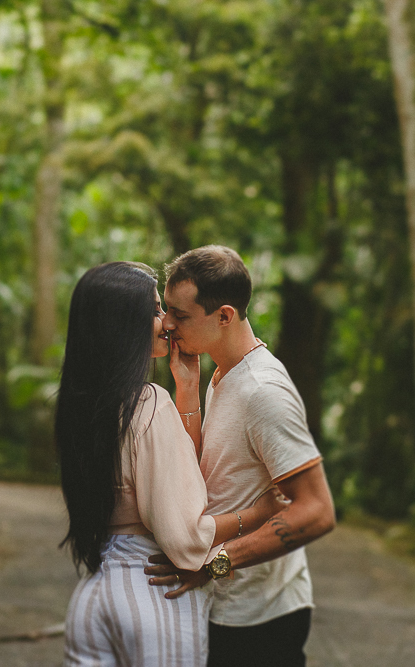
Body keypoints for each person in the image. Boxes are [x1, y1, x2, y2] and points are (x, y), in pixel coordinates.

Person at [57, 261, 283, 666]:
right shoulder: (147, 403)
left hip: (92, 597)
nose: (168, 323)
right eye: (158, 310)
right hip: (150, 591)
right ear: (127, 321)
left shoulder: (84, 403)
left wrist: (186, 392)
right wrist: (259, 513)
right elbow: (185, 539)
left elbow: (155, 477)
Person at [145, 246, 337, 667]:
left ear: (224, 316)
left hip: (261, 618)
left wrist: (215, 563)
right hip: (226, 607)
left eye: (181, 315)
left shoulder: (263, 391)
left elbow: (317, 510)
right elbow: (204, 473)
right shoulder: (223, 371)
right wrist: (187, 390)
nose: (168, 325)